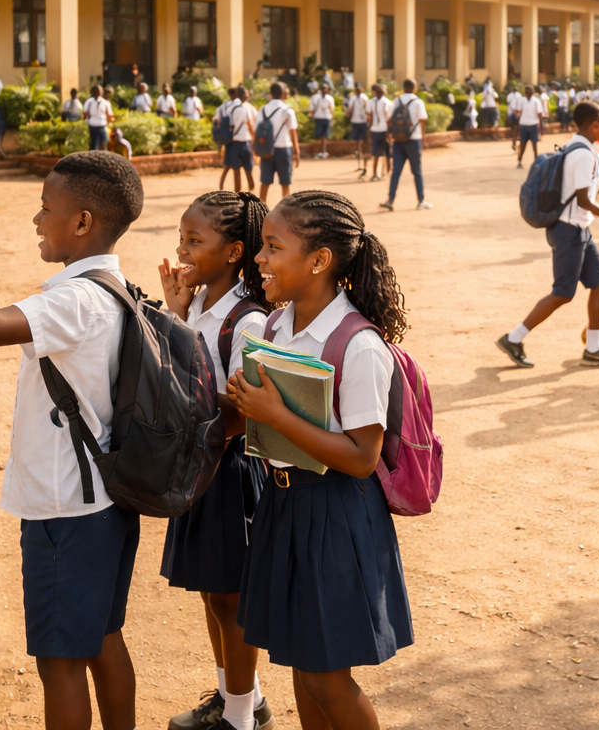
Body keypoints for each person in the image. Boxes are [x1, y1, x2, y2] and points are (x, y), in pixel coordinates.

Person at [0, 152, 147, 730]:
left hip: (66, 507)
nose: (35, 219)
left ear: (82, 223)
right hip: (102, 500)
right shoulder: (113, 286)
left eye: (45, 208)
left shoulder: (75, 299)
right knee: (104, 639)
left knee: (61, 661)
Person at [223, 192, 413, 730]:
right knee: (301, 667)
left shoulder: (358, 345)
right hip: (282, 507)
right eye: (261, 247)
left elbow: (361, 457)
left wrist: (274, 414)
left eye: (273, 247)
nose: (259, 259)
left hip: (336, 516)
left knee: (328, 677)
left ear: (320, 260)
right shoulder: (274, 326)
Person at [156, 192, 274, 730]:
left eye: (194, 241)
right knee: (210, 590)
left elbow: (246, 415)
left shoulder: (247, 321)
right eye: (181, 237)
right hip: (200, 466)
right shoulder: (199, 305)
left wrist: (193, 427)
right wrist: (175, 312)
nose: (182, 249)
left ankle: (241, 718)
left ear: (234, 252)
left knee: (229, 600)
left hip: (228, 470)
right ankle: (236, 696)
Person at [496, 101, 599, 369]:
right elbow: (582, 200)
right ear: (593, 124)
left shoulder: (577, 147)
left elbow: (580, 191)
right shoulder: (584, 154)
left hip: (578, 229)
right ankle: (514, 338)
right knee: (563, 292)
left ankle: (593, 348)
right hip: (570, 230)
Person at [381, 79, 430, 211]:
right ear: (414, 88)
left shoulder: (397, 101)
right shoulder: (418, 102)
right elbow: (423, 121)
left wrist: (389, 135)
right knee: (417, 172)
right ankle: (421, 201)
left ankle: (390, 200)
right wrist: (423, 138)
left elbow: (388, 119)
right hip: (414, 140)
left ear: (403, 88)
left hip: (398, 140)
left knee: (396, 171)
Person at [257, 82, 300, 203]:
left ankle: (261, 209)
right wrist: (297, 152)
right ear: (283, 93)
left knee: (265, 183)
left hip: (266, 150)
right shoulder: (287, 110)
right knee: (285, 184)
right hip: (283, 150)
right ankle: (285, 213)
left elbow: (257, 130)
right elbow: (293, 133)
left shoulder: (263, 110)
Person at [218, 88, 257, 193]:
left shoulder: (230, 108)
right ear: (242, 95)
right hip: (245, 141)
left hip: (234, 142)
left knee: (236, 169)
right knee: (248, 168)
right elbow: (250, 125)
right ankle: (251, 190)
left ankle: (238, 192)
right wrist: (255, 139)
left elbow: (227, 125)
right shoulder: (246, 108)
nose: (248, 95)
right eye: (246, 93)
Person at [515, 83, 548, 168]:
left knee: (534, 145)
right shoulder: (521, 101)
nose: (528, 92)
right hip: (524, 124)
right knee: (523, 144)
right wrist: (517, 126)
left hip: (533, 124)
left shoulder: (536, 101)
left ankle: (536, 162)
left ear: (532, 92)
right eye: (527, 91)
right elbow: (518, 112)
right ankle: (519, 161)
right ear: (525, 92)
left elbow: (540, 115)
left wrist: (541, 129)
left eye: (530, 90)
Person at [366, 84, 392, 182]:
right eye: (376, 91)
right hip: (375, 129)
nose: (378, 93)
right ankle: (375, 173)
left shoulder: (387, 103)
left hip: (384, 130)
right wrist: (369, 130)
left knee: (387, 152)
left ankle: (387, 172)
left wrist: (389, 132)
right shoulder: (371, 102)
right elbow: (369, 115)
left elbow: (389, 119)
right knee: (375, 152)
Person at [344, 86, 370, 175]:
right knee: (356, 140)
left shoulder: (364, 97)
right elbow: (350, 108)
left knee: (364, 140)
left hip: (363, 121)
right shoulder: (353, 98)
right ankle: (358, 159)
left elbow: (367, 108)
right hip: (355, 121)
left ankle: (364, 155)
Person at [83, 85, 114, 152]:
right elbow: (85, 114)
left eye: (98, 91)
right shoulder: (89, 102)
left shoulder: (106, 103)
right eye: (94, 91)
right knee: (93, 145)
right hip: (92, 127)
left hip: (102, 127)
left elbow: (109, 115)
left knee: (103, 145)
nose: (96, 93)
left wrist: (109, 125)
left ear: (101, 92)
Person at [309, 84, 335, 159]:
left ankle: (323, 151)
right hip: (318, 117)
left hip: (327, 118)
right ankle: (319, 151)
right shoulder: (315, 97)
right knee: (318, 135)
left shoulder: (329, 98)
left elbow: (331, 109)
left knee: (325, 135)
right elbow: (312, 108)